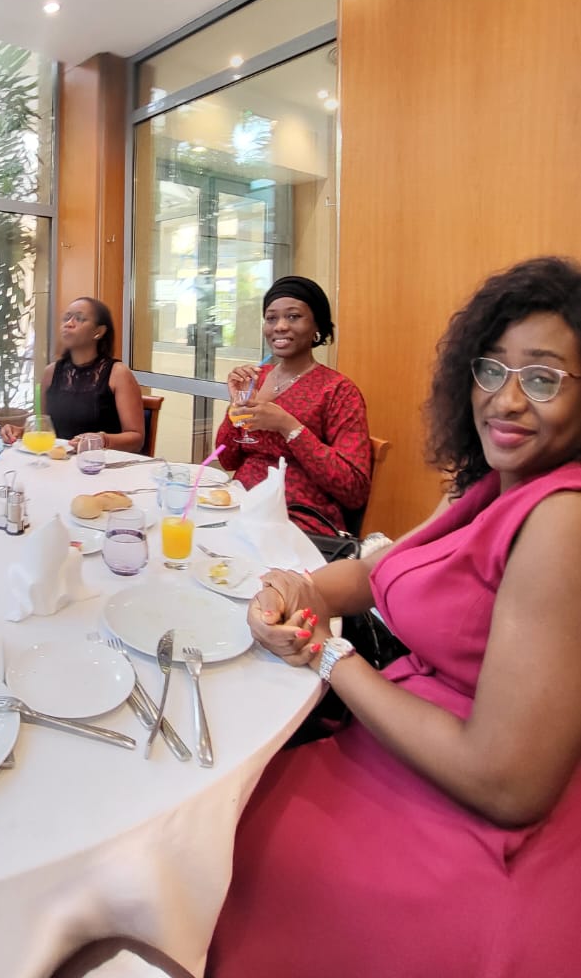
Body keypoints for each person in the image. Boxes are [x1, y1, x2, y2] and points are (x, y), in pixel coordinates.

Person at [207, 256, 581, 978]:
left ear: (317, 325)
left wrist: (327, 655)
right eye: (490, 371)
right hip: (392, 735)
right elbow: (377, 569)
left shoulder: (560, 519)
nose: (505, 402)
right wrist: (295, 590)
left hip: (460, 827)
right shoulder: (487, 485)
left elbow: (506, 785)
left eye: (541, 378)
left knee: (208, 847)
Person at [215, 275, 370, 534]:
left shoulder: (339, 391)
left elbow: (353, 489)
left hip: (297, 520)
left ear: (316, 326)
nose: (280, 326)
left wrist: (289, 427)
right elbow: (227, 459)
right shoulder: (257, 377)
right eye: (271, 318)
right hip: (241, 506)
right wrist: (236, 406)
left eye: (294, 316)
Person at [0, 297, 145, 452]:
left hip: (100, 467)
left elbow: (136, 438)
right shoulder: (51, 372)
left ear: (99, 332)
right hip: (58, 464)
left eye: (79, 319)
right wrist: (21, 432)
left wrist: (102, 439)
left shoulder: (118, 374)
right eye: (66, 318)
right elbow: (43, 427)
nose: (68, 323)